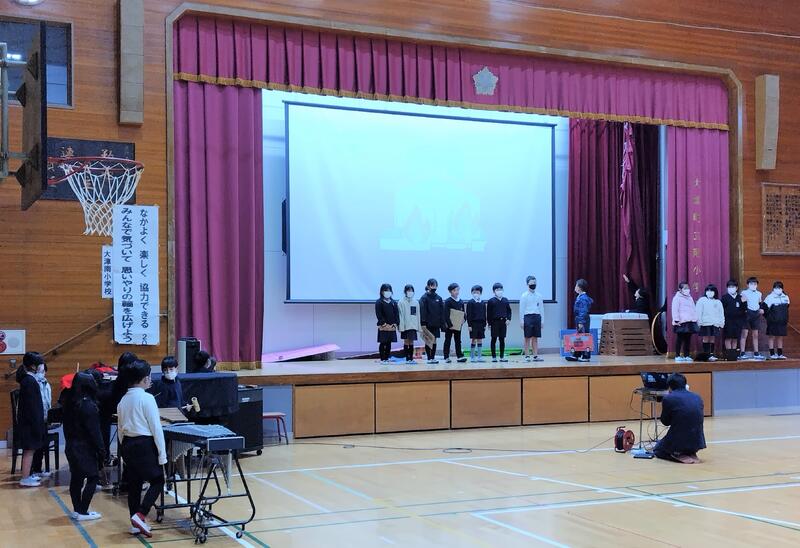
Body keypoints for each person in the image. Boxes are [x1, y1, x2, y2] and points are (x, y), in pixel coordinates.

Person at [117, 360, 166, 538]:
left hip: (127, 444)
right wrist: (162, 454)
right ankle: (141, 514)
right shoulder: (147, 398)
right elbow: (156, 428)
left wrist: (124, 450)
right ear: (145, 379)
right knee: (158, 480)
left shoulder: (123, 400)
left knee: (135, 484)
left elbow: (120, 429)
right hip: (144, 444)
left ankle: (135, 524)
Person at [63, 372, 105, 521]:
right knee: (93, 478)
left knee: (76, 478)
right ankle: (82, 511)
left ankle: (77, 510)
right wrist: (101, 449)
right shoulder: (88, 406)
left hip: (71, 445)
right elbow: (95, 431)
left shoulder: (69, 402)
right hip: (84, 448)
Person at [653, 373, 706, 464]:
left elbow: (665, 422)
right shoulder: (697, 397)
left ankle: (677, 454)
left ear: (669, 387)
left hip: (679, 441)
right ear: (685, 385)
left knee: (657, 449)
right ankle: (690, 452)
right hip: (697, 442)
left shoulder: (668, 398)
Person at [100, 351, 139, 460]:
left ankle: (105, 455)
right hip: (118, 409)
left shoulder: (122, 376)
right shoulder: (129, 379)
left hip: (115, 408)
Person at [16, 352, 46, 487]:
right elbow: (32, 406)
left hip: (30, 421)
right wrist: (37, 423)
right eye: (40, 364)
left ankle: (28, 474)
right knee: (29, 450)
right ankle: (25, 478)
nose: (42, 367)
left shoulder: (30, 380)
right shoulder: (29, 381)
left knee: (30, 450)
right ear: (33, 366)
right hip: (29, 423)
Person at [30, 361, 52, 479]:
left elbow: (47, 402)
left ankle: (38, 469)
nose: (41, 373)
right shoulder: (32, 383)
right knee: (36, 444)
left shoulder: (46, 384)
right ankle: (32, 470)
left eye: (43, 371)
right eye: (39, 371)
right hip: (35, 419)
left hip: (44, 418)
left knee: (43, 444)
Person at [566, 279, 593, 362]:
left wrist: (581, 322)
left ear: (579, 288)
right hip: (580, 319)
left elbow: (583, 310)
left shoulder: (583, 298)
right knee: (579, 337)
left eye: (576, 286)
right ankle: (576, 354)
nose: (575, 287)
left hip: (583, 320)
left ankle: (586, 356)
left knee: (584, 337)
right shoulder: (580, 297)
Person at [696, 284, 725, 361]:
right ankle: (706, 355)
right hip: (705, 323)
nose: (710, 292)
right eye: (708, 290)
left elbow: (721, 313)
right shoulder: (702, 300)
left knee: (712, 339)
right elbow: (698, 312)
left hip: (715, 323)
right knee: (706, 339)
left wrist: (721, 323)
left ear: (715, 292)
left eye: (711, 290)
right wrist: (699, 322)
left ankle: (711, 355)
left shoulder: (718, 302)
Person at [419, 278, 445, 364]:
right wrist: (423, 323)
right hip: (427, 324)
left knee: (434, 340)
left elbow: (442, 312)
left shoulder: (439, 298)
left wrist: (442, 324)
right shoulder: (424, 298)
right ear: (428, 286)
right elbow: (422, 311)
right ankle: (429, 358)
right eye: (432, 285)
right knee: (428, 340)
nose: (434, 287)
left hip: (436, 324)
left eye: (435, 285)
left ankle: (433, 358)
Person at [739, 276, 766, 361]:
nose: (753, 285)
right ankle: (742, 353)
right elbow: (742, 304)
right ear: (747, 285)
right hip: (747, 314)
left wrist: (761, 309)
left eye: (755, 284)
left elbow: (760, 303)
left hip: (756, 314)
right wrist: (745, 310)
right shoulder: (744, 292)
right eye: (751, 284)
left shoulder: (759, 293)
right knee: (744, 334)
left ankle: (756, 353)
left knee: (755, 334)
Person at [671, 282, 698, 362]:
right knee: (680, 339)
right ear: (680, 289)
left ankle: (686, 355)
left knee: (688, 339)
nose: (687, 290)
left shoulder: (690, 298)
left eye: (688, 288)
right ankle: (677, 355)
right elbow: (675, 309)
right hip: (681, 321)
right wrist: (676, 319)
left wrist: (695, 318)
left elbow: (693, 309)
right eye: (685, 288)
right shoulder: (677, 298)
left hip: (689, 321)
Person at [519, 275, 545, 362]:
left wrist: (542, 321)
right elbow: (521, 309)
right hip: (527, 317)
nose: (533, 284)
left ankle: (535, 356)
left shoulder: (539, 295)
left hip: (537, 317)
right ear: (527, 284)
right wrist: (521, 321)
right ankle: (527, 356)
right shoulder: (524, 295)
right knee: (527, 338)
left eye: (535, 283)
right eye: (531, 283)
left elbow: (541, 309)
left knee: (535, 338)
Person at [764, 281, 790, 360]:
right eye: (776, 288)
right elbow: (764, 308)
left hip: (782, 321)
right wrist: (769, 318)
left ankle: (780, 354)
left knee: (780, 337)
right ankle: (772, 354)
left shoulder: (786, 297)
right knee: (771, 337)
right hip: (772, 321)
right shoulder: (769, 297)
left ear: (782, 289)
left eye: (779, 288)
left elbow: (787, 307)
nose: (778, 289)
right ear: (773, 288)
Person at [486, 282, 511, 363]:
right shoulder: (491, 301)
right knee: (493, 339)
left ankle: (502, 357)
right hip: (494, 322)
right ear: (494, 291)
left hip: (503, 322)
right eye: (497, 289)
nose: (499, 291)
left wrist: (508, 319)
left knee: (502, 339)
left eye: (500, 289)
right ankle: (493, 357)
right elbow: (488, 313)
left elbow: (509, 311)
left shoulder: (505, 300)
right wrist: (489, 324)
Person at [721, 279, 747, 356]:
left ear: (736, 288)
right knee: (728, 338)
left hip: (738, 321)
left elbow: (744, 310)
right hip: (728, 321)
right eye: (729, 287)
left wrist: (744, 302)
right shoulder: (724, 297)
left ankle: (733, 354)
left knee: (735, 338)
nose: (731, 288)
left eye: (733, 287)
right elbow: (721, 310)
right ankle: (729, 354)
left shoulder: (740, 297)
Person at [375, 283, 400, 364]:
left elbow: (396, 314)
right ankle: (382, 359)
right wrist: (384, 324)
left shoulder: (393, 302)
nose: (387, 292)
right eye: (385, 290)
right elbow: (379, 314)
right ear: (382, 292)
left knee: (389, 343)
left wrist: (395, 323)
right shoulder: (379, 302)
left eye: (389, 290)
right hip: (383, 326)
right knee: (383, 343)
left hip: (392, 326)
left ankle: (387, 358)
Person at [443, 283, 468, 363]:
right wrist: (449, 325)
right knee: (448, 340)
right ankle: (446, 357)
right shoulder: (448, 301)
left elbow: (463, 313)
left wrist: (464, 319)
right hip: (449, 326)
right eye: (454, 290)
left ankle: (459, 356)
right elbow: (446, 314)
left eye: (457, 290)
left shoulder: (460, 301)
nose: (456, 292)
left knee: (458, 340)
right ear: (450, 291)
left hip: (458, 325)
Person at [398, 284, 421, 364]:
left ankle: (411, 358)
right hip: (405, 325)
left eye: (411, 291)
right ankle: (406, 358)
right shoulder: (401, 302)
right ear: (405, 292)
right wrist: (401, 327)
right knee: (406, 342)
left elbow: (417, 315)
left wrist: (418, 326)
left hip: (413, 326)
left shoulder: (416, 302)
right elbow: (400, 315)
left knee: (411, 342)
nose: (410, 292)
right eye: (408, 290)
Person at [466, 285, 487, 363]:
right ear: (472, 293)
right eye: (474, 292)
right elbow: (468, 314)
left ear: (480, 293)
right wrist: (469, 325)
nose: (476, 294)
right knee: (474, 339)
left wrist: (485, 324)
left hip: (481, 324)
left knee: (480, 339)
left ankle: (479, 356)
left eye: (477, 292)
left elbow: (484, 314)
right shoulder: (470, 302)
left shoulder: (482, 302)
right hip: (473, 324)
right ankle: (472, 356)